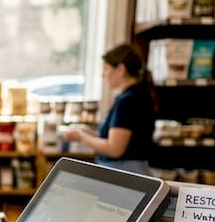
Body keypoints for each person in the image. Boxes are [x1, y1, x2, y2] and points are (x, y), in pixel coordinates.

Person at [62, 43, 156, 175]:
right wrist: (88, 132)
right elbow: (116, 137)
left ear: (121, 69)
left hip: (125, 173)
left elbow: (115, 149)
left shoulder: (128, 101)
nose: (103, 74)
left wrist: (82, 137)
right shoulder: (137, 95)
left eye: (106, 69)